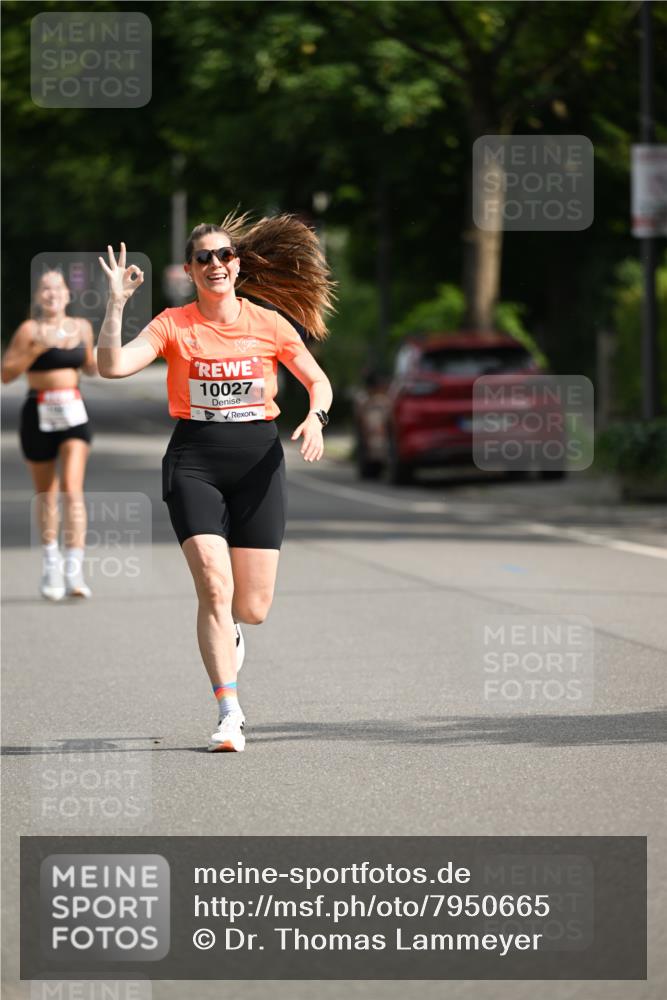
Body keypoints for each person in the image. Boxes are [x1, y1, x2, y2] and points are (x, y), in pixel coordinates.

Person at [97, 213, 334, 752]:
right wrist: (114, 305)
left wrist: (315, 417)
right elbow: (112, 366)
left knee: (250, 607)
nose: (215, 264)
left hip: (258, 463)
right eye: (203, 258)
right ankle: (229, 710)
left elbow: (317, 381)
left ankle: (232, 631)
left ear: (238, 263)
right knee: (212, 583)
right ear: (189, 270)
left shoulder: (269, 324)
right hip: (195, 461)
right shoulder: (172, 324)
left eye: (224, 255)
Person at [1, 269, 97, 600]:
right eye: (45, 288)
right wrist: (36, 348)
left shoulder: (82, 327)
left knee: (72, 489)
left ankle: (75, 570)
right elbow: (7, 373)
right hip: (37, 413)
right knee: (47, 493)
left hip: (72, 411)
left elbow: (91, 366)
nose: (52, 293)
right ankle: (50, 564)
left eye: (57, 288)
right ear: (38, 296)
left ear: (68, 295)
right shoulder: (29, 329)